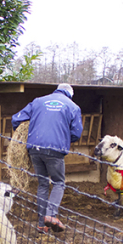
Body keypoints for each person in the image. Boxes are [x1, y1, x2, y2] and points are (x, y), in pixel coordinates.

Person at [12, 84, 83, 234]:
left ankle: (41, 224)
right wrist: (63, 137)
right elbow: (76, 133)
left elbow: (16, 119)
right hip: (55, 150)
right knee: (58, 183)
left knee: (43, 183)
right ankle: (50, 216)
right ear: (70, 94)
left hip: (34, 148)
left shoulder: (38, 101)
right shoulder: (73, 106)